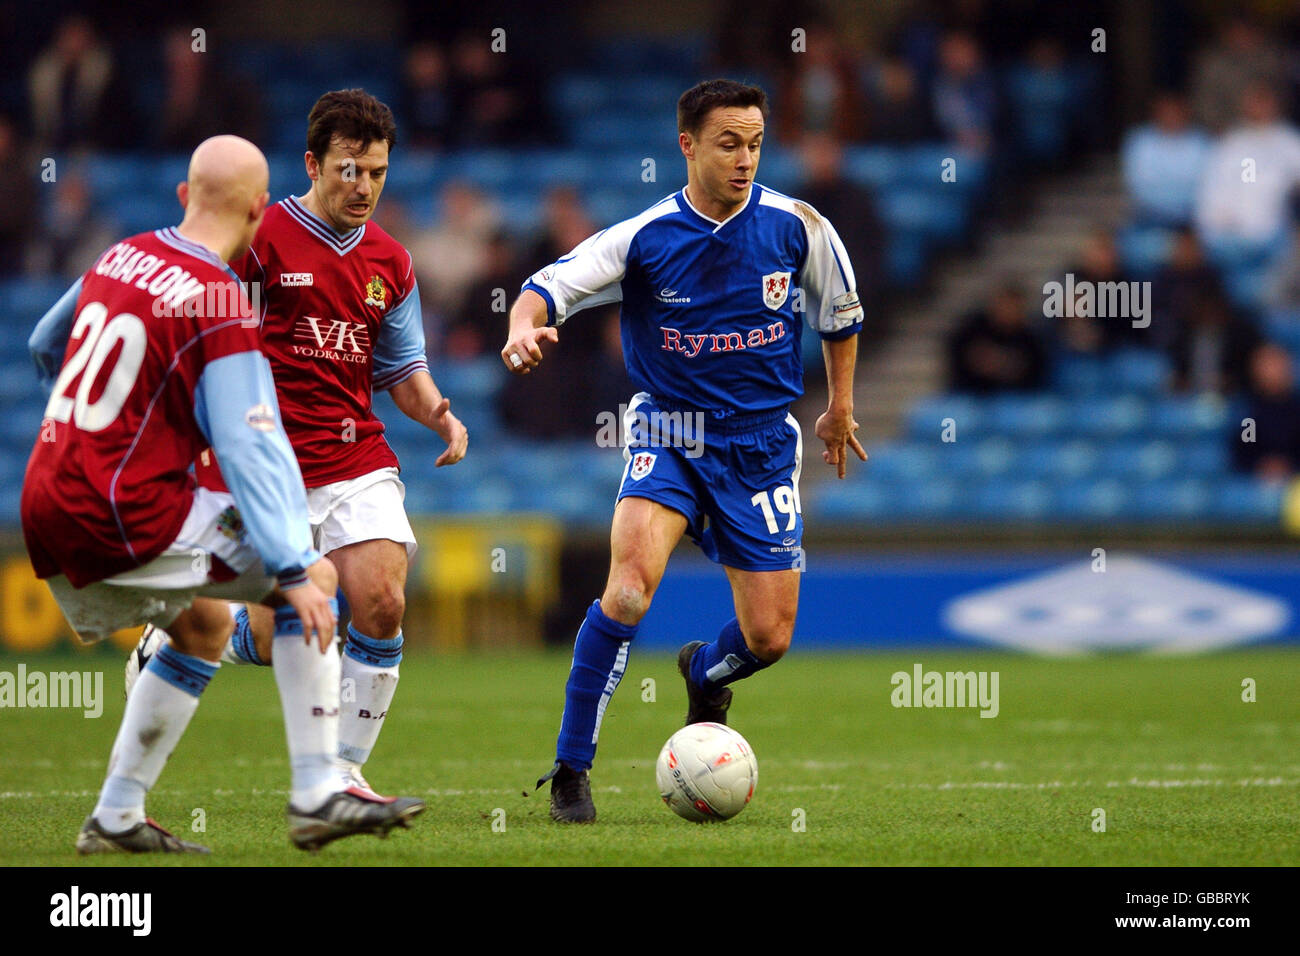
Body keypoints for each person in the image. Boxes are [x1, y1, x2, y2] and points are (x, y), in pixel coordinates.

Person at [23, 135, 424, 853]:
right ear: (258, 210)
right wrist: (293, 570)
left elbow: (46, 345)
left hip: (46, 497)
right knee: (315, 581)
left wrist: (111, 431)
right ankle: (318, 792)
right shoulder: (220, 301)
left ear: (184, 196)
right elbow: (248, 446)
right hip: (123, 505)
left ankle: (115, 816)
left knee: (203, 627)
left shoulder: (121, 255)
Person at [502, 79, 866, 823]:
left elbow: (840, 314)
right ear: (688, 145)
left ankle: (704, 673)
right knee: (630, 589)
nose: (745, 159)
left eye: (757, 143)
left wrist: (841, 405)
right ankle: (572, 770)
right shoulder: (644, 238)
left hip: (763, 447)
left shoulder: (799, 227)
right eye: (729, 143)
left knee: (769, 637)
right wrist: (522, 327)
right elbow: (544, 287)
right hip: (670, 434)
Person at [128, 90, 469, 798]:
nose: (364, 186)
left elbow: (402, 370)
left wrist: (439, 414)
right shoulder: (261, 239)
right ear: (313, 163)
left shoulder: (392, 263)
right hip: (262, 463)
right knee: (259, 628)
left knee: (381, 601)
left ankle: (344, 771)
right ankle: (187, 634)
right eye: (349, 170)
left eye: (376, 172)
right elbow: (202, 337)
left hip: (353, 458)